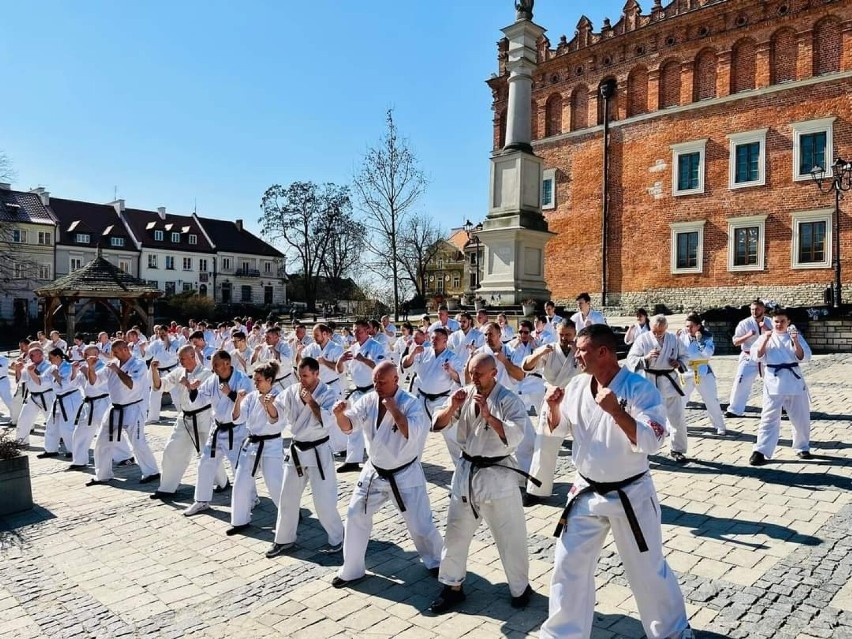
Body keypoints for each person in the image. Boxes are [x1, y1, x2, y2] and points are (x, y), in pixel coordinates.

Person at [539, 325, 692, 639]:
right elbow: (559, 429)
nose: (576, 355)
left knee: (647, 570)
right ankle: (563, 634)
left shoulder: (640, 389)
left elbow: (652, 441)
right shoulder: (579, 386)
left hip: (630, 494)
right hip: (586, 492)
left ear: (602, 352)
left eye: (581, 350)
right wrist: (554, 408)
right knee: (568, 566)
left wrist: (617, 412)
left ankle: (673, 632)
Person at [429, 353, 535, 613]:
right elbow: (437, 424)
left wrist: (489, 417)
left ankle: (520, 588)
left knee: (510, 536)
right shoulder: (464, 395)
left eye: (478, 373)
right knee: (455, 532)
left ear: (493, 374)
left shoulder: (508, 400)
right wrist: (452, 407)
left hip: (497, 476)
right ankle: (452, 586)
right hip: (466, 472)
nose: (473, 377)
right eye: (471, 372)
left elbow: (517, 435)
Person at [331, 361, 443, 588]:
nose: (377, 386)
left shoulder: (410, 403)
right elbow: (349, 425)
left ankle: (438, 561)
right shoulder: (368, 400)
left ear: (396, 380)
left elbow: (410, 432)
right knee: (354, 515)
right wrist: (339, 415)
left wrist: (393, 409)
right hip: (375, 471)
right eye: (374, 381)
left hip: (405, 473)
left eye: (382, 382)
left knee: (421, 524)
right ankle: (351, 569)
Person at [266, 357, 344, 557]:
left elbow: (327, 421)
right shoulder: (292, 391)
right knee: (287, 498)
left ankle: (339, 539)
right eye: (299, 375)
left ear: (317, 374)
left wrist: (311, 401)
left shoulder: (327, 393)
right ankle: (283, 540)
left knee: (323, 501)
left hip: (319, 451)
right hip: (297, 450)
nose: (302, 380)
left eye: (306, 376)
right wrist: (269, 405)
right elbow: (277, 414)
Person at [149, 345, 227, 500]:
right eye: (179, 358)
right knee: (171, 450)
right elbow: (160, 386)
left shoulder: (206, 374)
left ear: (193, 356)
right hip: (184, 417)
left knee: (208, 453)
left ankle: (223, 482)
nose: (180, 361)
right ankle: (167, 487)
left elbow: (205, 396)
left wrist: (190, 387)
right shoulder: (179, 372)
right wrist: (154, 371)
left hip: (203, 417)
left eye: (183, 358)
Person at [183, 351, 254, 516]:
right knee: (205, 463)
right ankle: (201, 501)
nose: (213, 368)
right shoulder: (212, 380)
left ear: (227, 364)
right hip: (217, 429)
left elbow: (248, 404)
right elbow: (201, 399)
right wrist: (192, 390)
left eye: (216, 364)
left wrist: (230, 393)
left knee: (240, 468)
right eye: (212, 364)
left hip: (236, 430)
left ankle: (251, 499)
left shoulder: (242, 379)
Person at [521, 318, 579, 506]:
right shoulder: (549, 350)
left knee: (586, 444)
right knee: (544, 445)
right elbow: (527, 367)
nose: (564, 338)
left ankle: (588, 484)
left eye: (568, 335)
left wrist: (580, 351)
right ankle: (536, 490)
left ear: (575, 334)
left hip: (576, 400)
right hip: (553, 398)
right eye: (561, 334)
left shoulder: (581, 350)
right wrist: (539, 352)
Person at [85, 340, 160, 485]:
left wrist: (117, 370)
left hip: (134, 408)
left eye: (117, 352)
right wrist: (91, 368)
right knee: (102, 441)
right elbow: (94, 382)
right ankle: (102, 475)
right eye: (114, 353)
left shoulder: (138, 364)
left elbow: (131, 384)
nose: (114, 355)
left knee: (138, 442)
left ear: (125, 349)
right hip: (115, 408)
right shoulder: (113, 365)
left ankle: (152, 472)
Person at [227, 361, 286, 536]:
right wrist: (238, 400)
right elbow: (237, 419)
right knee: (240, 482)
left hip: (271, 445)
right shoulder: (252, 396)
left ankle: (290, 514)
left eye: (258, 380)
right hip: (251, 443)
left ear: (269, 380)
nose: (255, 383)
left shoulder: (279, 396)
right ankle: (239, 520)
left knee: (275, 484)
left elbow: (276, 421)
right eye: (254, 380)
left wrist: (268, 405)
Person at [749, 308, 813, 466]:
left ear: (788, 322)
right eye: (776, 321)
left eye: (782, 321)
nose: (779, 324)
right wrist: (765, 339)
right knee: (768, 417)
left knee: (801, 417)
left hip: (793, 379)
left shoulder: (794, 336)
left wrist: (796, 341)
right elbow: (756, 356)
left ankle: (802, 447)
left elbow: (804, 357)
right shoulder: (766, 337)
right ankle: (761, 450)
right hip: (774, 381)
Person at [626, 315, 689, 463]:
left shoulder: (674, 339)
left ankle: (677, 449)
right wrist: (645, 358)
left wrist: (678, 363)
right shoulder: (643, 339)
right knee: (643, 417)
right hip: (649, 381)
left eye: (660, 332)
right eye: (655, 332)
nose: (657, 335)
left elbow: (685, 355)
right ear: (651, 327)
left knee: (677, 417)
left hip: (669, 381)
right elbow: (631, 359)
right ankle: (641, 447)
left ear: (666, 328)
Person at [402, 327, 464, 463]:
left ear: (445, 341)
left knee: (451, 435)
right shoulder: (423, 352)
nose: (433, 341)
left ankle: (461, 465)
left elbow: (460, 379)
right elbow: (405, 365)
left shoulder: (452, 357)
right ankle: (412, 465)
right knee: (417, 434)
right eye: (432, 338)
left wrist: (451, 371)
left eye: (437, 339)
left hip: (442, 400)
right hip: (422, 399)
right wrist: (412, 353)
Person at [335, 319, 387, 473]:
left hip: (372, 391)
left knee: (374, 426)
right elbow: (340, 371)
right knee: (353, 423)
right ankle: (352, 460)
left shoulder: (376, 346)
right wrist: (340, 360)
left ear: (367, 331)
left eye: (359, 331)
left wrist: (363, 359)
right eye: (354, 331)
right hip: (357, 391)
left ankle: (380, 460)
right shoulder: (352, 347)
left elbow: (381, 368)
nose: (356, 334)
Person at [677, 313, 726, 436]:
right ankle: (674, 425)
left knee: (711, 400)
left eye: (691, 326)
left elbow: (707, 354)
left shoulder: (707, 337)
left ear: (698, 326)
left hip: (703, 371)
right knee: (680, 400)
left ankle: (719, 426)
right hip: (686, 371)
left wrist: (700, 342)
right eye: (687, 326)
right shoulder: (681, 335)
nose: (689, 329)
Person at [67, 345, 112, 470]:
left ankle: (125, 456)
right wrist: (74, 371)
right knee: (80, 432)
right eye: (84, 354)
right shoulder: (84, 367)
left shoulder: (104, 367)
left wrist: (86, 370)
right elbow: (73, 384)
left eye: (88, 354)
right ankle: (79, 461)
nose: (85, 356)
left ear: (97, 354)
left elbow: (94, 383)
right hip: (88, 405)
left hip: (102, 402)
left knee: (109, 431)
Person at [726, 299, 772, 418]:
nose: (754, 312)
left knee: (773, 382)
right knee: (740, 382)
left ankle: (778, 407)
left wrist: (766, 328)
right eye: (752, 309)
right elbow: (735, 342)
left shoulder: (770, 322)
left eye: (757, 309)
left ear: (763, 310)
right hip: (748, 356)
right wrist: (748, 335)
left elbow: (777, 338)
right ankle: (734, 409)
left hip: (766, 356)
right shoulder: (744, 323)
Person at [38, 348, 80, 459]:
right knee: (51, 424)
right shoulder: (52, 368)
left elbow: (66, 384)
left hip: (70, 398)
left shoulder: (68, 367)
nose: (49, 360)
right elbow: (41, 381)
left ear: (58, 357)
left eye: (51, 358)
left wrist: (56, 375)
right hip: (58, 399)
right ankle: (51, 450)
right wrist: (31, 371)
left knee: (66, 426)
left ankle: (73, 450)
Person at [14, 344, 53, 447]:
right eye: (30, 355)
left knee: (53, 421)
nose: (30, 357)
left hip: (47, 396)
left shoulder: (48, 365)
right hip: (33, 397)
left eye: (32, 355)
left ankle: (60, 440)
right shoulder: (29, 365)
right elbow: (21, 378)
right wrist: (18, 369)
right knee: (23, 419)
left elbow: (43, 380)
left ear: (40, 355)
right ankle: (21, 442)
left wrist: (32, 371)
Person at [146, 326, 180, 423]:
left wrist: (167, 341)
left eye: (163, 333)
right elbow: (147, 354)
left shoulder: (174, 341)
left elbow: (174, 353)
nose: (161, 335)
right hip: (158, 372)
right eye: (160, 333)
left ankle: (183, 415)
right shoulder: (155, 343)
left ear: (167, 332)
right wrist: (142, 350)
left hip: (171, 371)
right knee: (154, 395)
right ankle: (153, 418)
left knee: (176, 395)